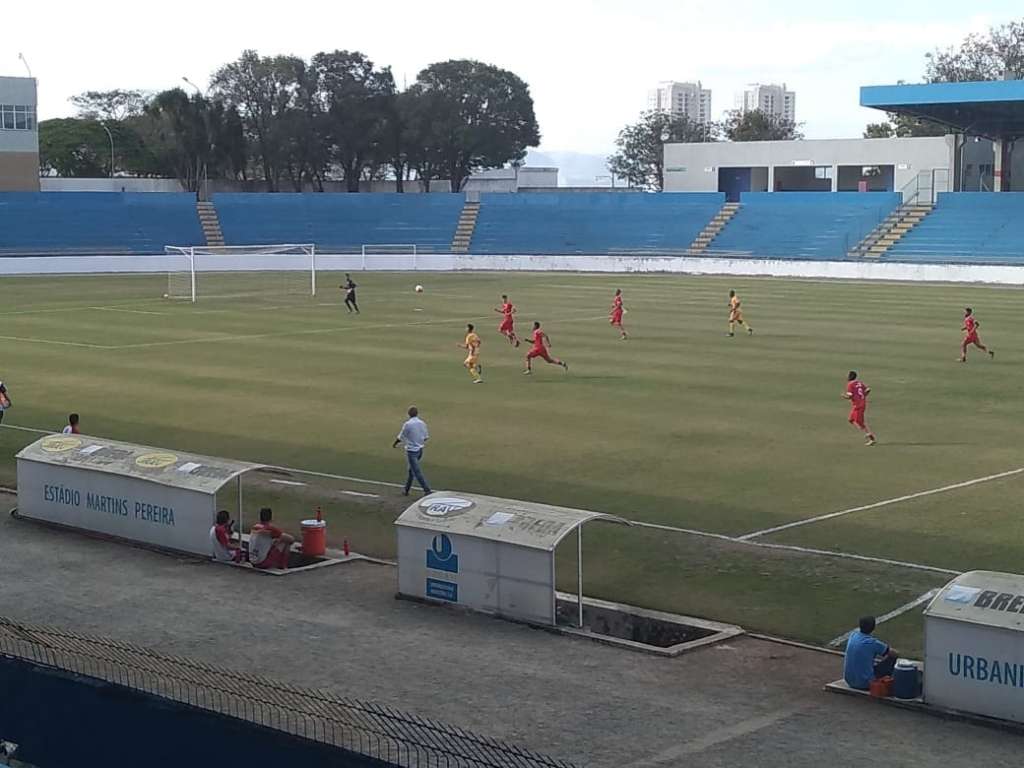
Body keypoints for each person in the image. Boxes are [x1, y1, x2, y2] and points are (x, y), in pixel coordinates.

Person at [843, 616, 898, 691]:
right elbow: (893, 653)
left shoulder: (853, 635)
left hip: (849, 680)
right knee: (892, 658)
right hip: (866, 683)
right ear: (873, 627)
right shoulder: (873, 643)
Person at [393, 406, 432, 496]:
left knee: (416, 471)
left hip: (411, 451)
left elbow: (401, 437)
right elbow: (426, 437)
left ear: (408, 414)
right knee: (411, 471)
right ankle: (406, 490)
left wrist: (395, 443)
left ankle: (427, 490)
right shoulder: (422, 423)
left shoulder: (408, 424)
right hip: (420, 450)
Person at [843, 371, 876, 446]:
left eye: (848, 376)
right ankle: (864, 431)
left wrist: (844, 397)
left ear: (850, 377)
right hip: (860, 404)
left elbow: (849, 396)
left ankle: (871, 437)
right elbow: (868, 389)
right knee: (850, 420)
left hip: (858, 406)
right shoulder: (859, 383)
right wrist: (863, 396)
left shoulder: (850, 385)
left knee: (859, 422)